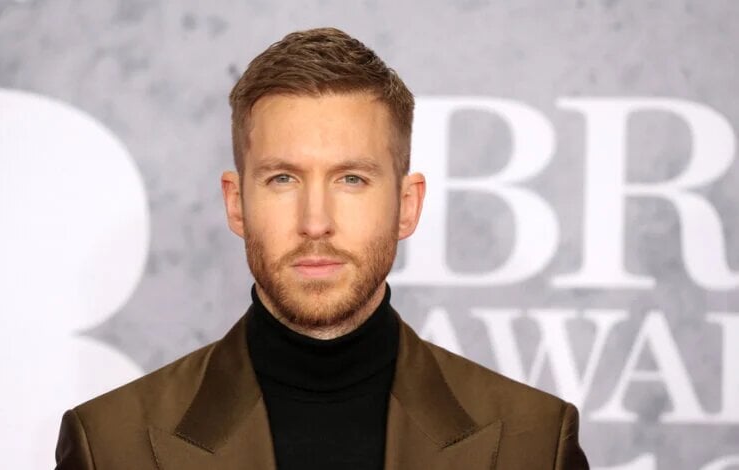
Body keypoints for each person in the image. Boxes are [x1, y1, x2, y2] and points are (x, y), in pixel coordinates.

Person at [54, 27, 590, 470]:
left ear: (407, 206)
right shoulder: (111, 446)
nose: (316, 223)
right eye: (283, 179)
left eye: (351, 179)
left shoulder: (533, 444)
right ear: (236, 204)